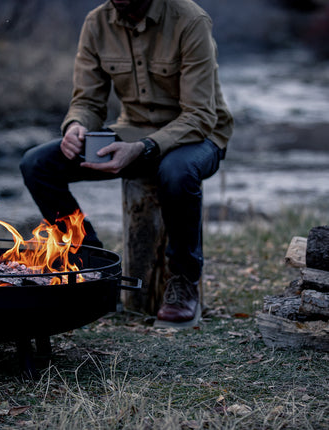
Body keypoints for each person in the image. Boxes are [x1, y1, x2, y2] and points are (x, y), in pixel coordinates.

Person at [20, 0, 234, 328]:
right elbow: (88, 101)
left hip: (197, 135)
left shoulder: (190, 20)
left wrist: (144, 148)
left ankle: (184, 281)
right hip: (130, 129)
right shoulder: (96, 22)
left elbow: (200, 115)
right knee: (37, 165)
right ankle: (90, 265)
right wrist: (76, 125)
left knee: (176, 172)